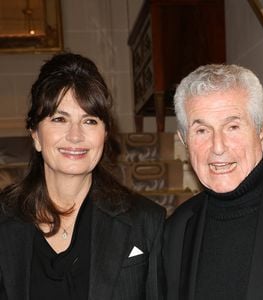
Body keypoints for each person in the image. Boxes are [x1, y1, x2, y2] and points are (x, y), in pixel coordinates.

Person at [0, 52, 165, 300]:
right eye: (59, 119)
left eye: (89, 121)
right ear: (35, 134)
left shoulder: (146, 221)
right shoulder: (4, 219)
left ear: (105, 133)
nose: (75, 136)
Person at [164, 64, 263, 300]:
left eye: (233, 127)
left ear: (262, 131)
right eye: (202, 131)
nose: (218, 147)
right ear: (184, 140)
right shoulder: (176, 228)